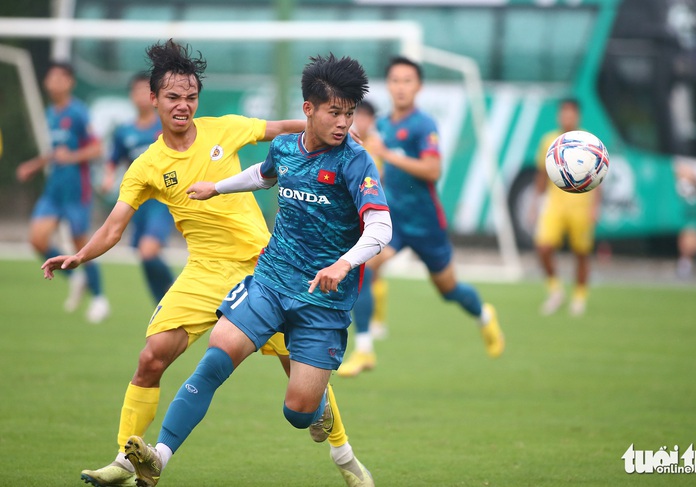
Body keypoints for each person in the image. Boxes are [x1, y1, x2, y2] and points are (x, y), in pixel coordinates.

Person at [41, 42, 371, 487]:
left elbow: (285, 127)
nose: (183, 106)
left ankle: (344, 456)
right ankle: (127, 461)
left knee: (300, 379)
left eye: (190, 97)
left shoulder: (225, 129)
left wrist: (339, 128)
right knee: (151, 359)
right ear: (153, 98)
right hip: (203, 273)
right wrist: (81, 254)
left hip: (264, 268)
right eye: (173, 97)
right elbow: (115, 226)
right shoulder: (146, 166)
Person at [338, 56, 504, 378]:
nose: (401, 87)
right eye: (395, 81)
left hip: (427, 224)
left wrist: (388, 155)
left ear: (419, 87)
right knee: (363, 269)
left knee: (449, 290)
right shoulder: (382, 125)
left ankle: (484, 315)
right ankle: (364, 349)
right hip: (395, 223)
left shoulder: (423, 125)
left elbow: (433, 170)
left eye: (407, 81)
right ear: (389, 86)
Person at [17, 61, 110, 323]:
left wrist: (72, 157)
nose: (53, 82)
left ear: (69, 82)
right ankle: (76, 276)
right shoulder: (50, 113)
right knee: (37, 240)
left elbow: (97, 149)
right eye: (51, 77)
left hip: (75, 191)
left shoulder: (78, 113)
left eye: (60, 78)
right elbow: (56, 151)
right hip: (53, 190)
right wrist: (34, 165)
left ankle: (100, 299)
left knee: (83, 246)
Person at [101, 73, 174, 304]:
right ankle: (161, 305)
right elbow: (114, 159)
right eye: (137, 91)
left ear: (154, 96)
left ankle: (174, 293)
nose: (141, 96)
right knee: (143, 255)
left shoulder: (167, 125)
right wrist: (108, 177)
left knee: (148, 250)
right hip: (137, 202)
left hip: (162, 200)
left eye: (145, 91)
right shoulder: (124, 131)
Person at [532, 98, 600, 316]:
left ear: (577, 116)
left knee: (581, 253)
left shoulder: (588, 142)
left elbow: (597, 176)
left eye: (571, 113)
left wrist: (595, 206)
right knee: (543, 247)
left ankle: (579, 297)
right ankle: (555, 290)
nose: (567, 117)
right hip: (555, 204)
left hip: (581, 204)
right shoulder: (549, 140)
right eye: (564, 113)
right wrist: (534, 203)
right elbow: (542, 174)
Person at [352, 100, 388, 340]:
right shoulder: (346, 140)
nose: (362, 121)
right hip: (351, 214)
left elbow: (380, 179)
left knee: (374, 269)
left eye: (367, 117)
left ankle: (376, 321)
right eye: (359, 115)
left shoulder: (376, 145)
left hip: (371, 212)